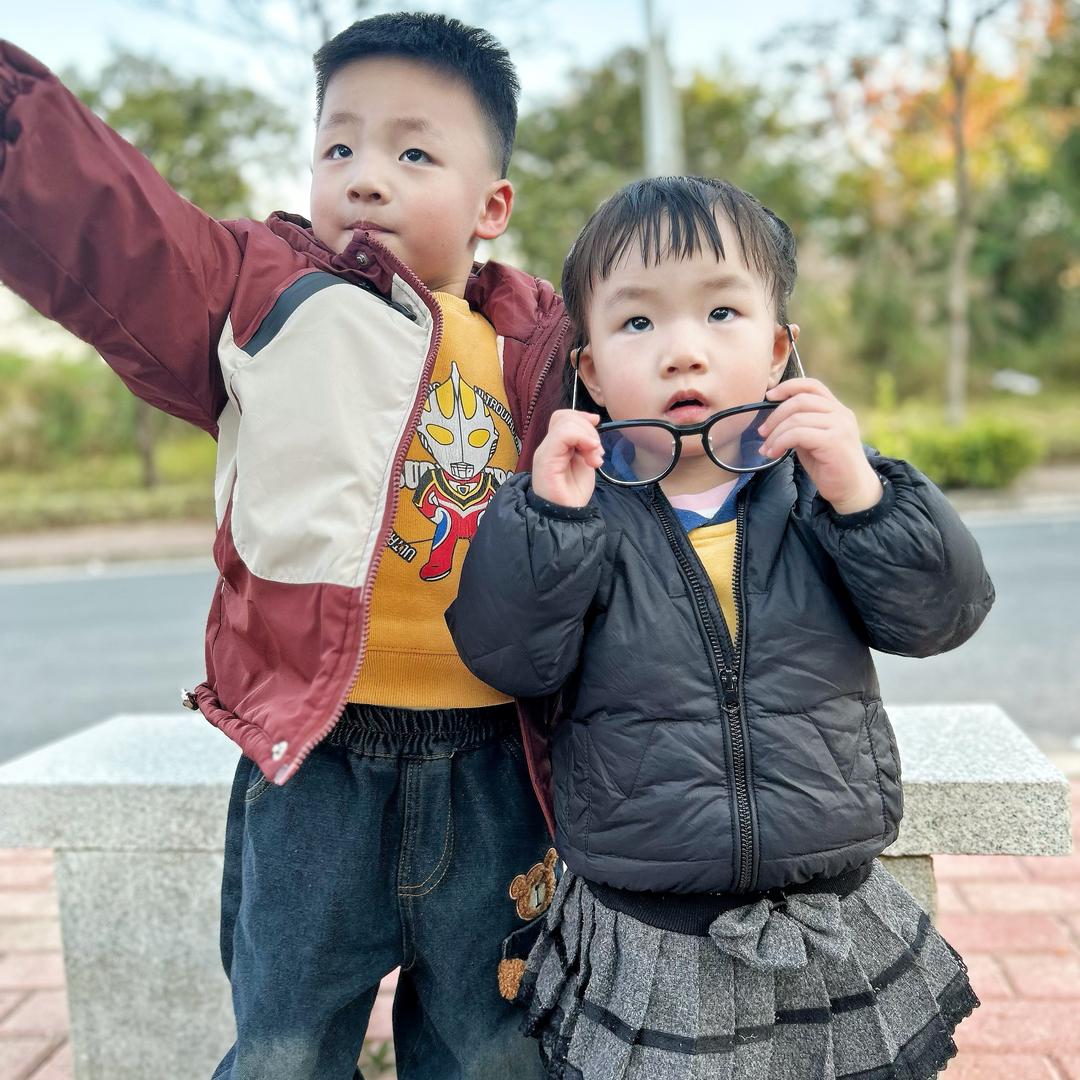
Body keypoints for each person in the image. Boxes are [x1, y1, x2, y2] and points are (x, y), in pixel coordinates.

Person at [0, 13, 568, 1079]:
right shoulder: (262, 296)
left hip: (497, 764)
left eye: (412, 152)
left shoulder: (539, 344)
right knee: (285, 1046)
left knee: (493, 1046)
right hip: (320, 761)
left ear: (492, 205)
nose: (365, 179)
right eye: (338, 147)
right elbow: (114, 226)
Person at [446, 175, 995, 1080]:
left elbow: (939, 617)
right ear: (589, 372)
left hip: (830, 902)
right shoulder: (574, 508)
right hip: (652, 920)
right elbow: (512, 659)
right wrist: (549, 522)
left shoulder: (823, 487)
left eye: (723, 313)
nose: (683, 353)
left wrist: (860, 491)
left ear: (781, 349)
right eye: (637, 324)